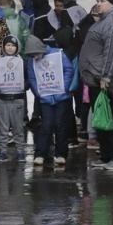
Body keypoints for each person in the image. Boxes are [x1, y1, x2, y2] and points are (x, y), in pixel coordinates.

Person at [78, 0, 113, 170]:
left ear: (112, 3)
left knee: (112, 119)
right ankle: (107, 155)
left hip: (106, 81)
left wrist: (106, 76)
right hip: (95, 79)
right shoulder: (104, 20)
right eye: (97, 0)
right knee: (101, 118)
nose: (99, 3)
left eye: (103, 0)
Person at [25, 34, 74, 166]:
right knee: (46, 125)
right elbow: (32, 78)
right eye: (32, 55)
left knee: (60, 125)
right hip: (45, 98)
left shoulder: (58, 54)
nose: (35, 57)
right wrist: (39, 93)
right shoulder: (32, 61)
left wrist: (64, 88)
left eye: (36, 54)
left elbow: (69, 70)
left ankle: (61, 154)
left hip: (61, 97)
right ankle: (40, 154)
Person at [0, 34, 27, 162]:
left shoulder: (22, 62)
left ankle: (20, 152)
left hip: (17, 98)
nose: (10, 48)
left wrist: (23, 87)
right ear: (3, 46)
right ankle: (2, 152)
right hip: (2, 98)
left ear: (17, 47)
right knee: (2, 128)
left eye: (13, 45)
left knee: (18, 128)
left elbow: (29, 78)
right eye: (8, 45)